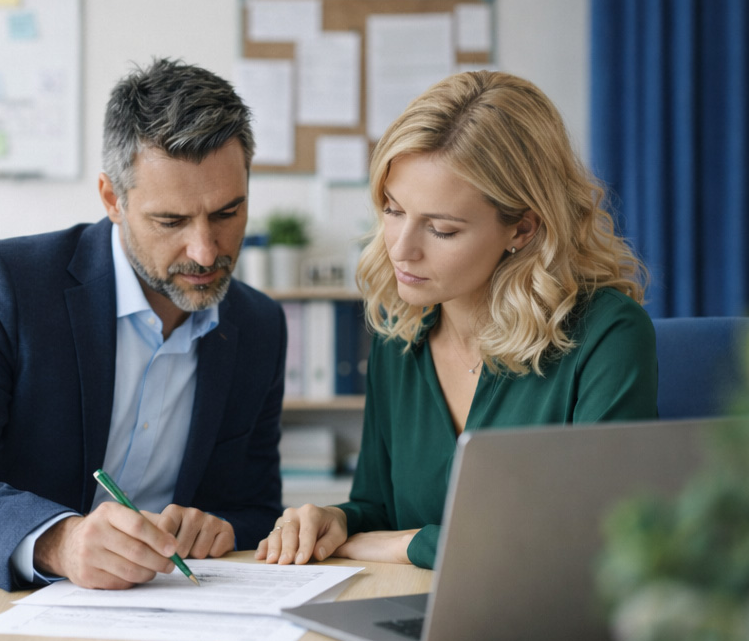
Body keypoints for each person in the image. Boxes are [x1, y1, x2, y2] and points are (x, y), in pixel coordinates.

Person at [0, 58, 286, 591]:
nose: (205, 251)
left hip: (144, 611)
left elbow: (255, 508)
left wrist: (220, 529)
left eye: (227, 214)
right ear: (113, 199)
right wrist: (57, 541)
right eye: (170, 221)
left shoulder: (259, 325)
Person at [256, 70, 657, 570]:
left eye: (442, 229)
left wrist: (407, 544)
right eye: (393, 210)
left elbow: (597, 535)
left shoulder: (607, 334)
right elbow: (380, 507)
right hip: (407, 615)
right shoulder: (398, 332)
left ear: (524, 228)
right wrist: (338, 520)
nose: (401, 249)